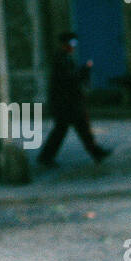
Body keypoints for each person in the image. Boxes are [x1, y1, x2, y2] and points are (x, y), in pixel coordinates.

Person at [38, 31, 111, 167]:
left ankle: (95, 152)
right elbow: (69, 79)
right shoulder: (60, 59)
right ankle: (46, 157)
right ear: (64, 44)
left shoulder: (65, 58)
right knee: (64, 130)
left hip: (69, 103)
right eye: (71, 43)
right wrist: (84, 71)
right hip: (65, 103)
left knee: (77, 129)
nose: (73, 46)